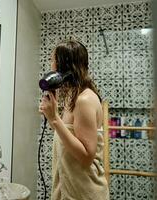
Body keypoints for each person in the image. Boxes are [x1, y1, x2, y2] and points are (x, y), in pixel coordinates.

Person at [39, 40, 109, 200]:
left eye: (53, 61)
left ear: (63, 67)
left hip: (84, 192)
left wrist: (55, 119)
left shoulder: (85, 100)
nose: (51, 66)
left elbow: (86, 157)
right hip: (68, 188)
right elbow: (68, 138)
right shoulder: (72, 96)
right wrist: (51, 117)